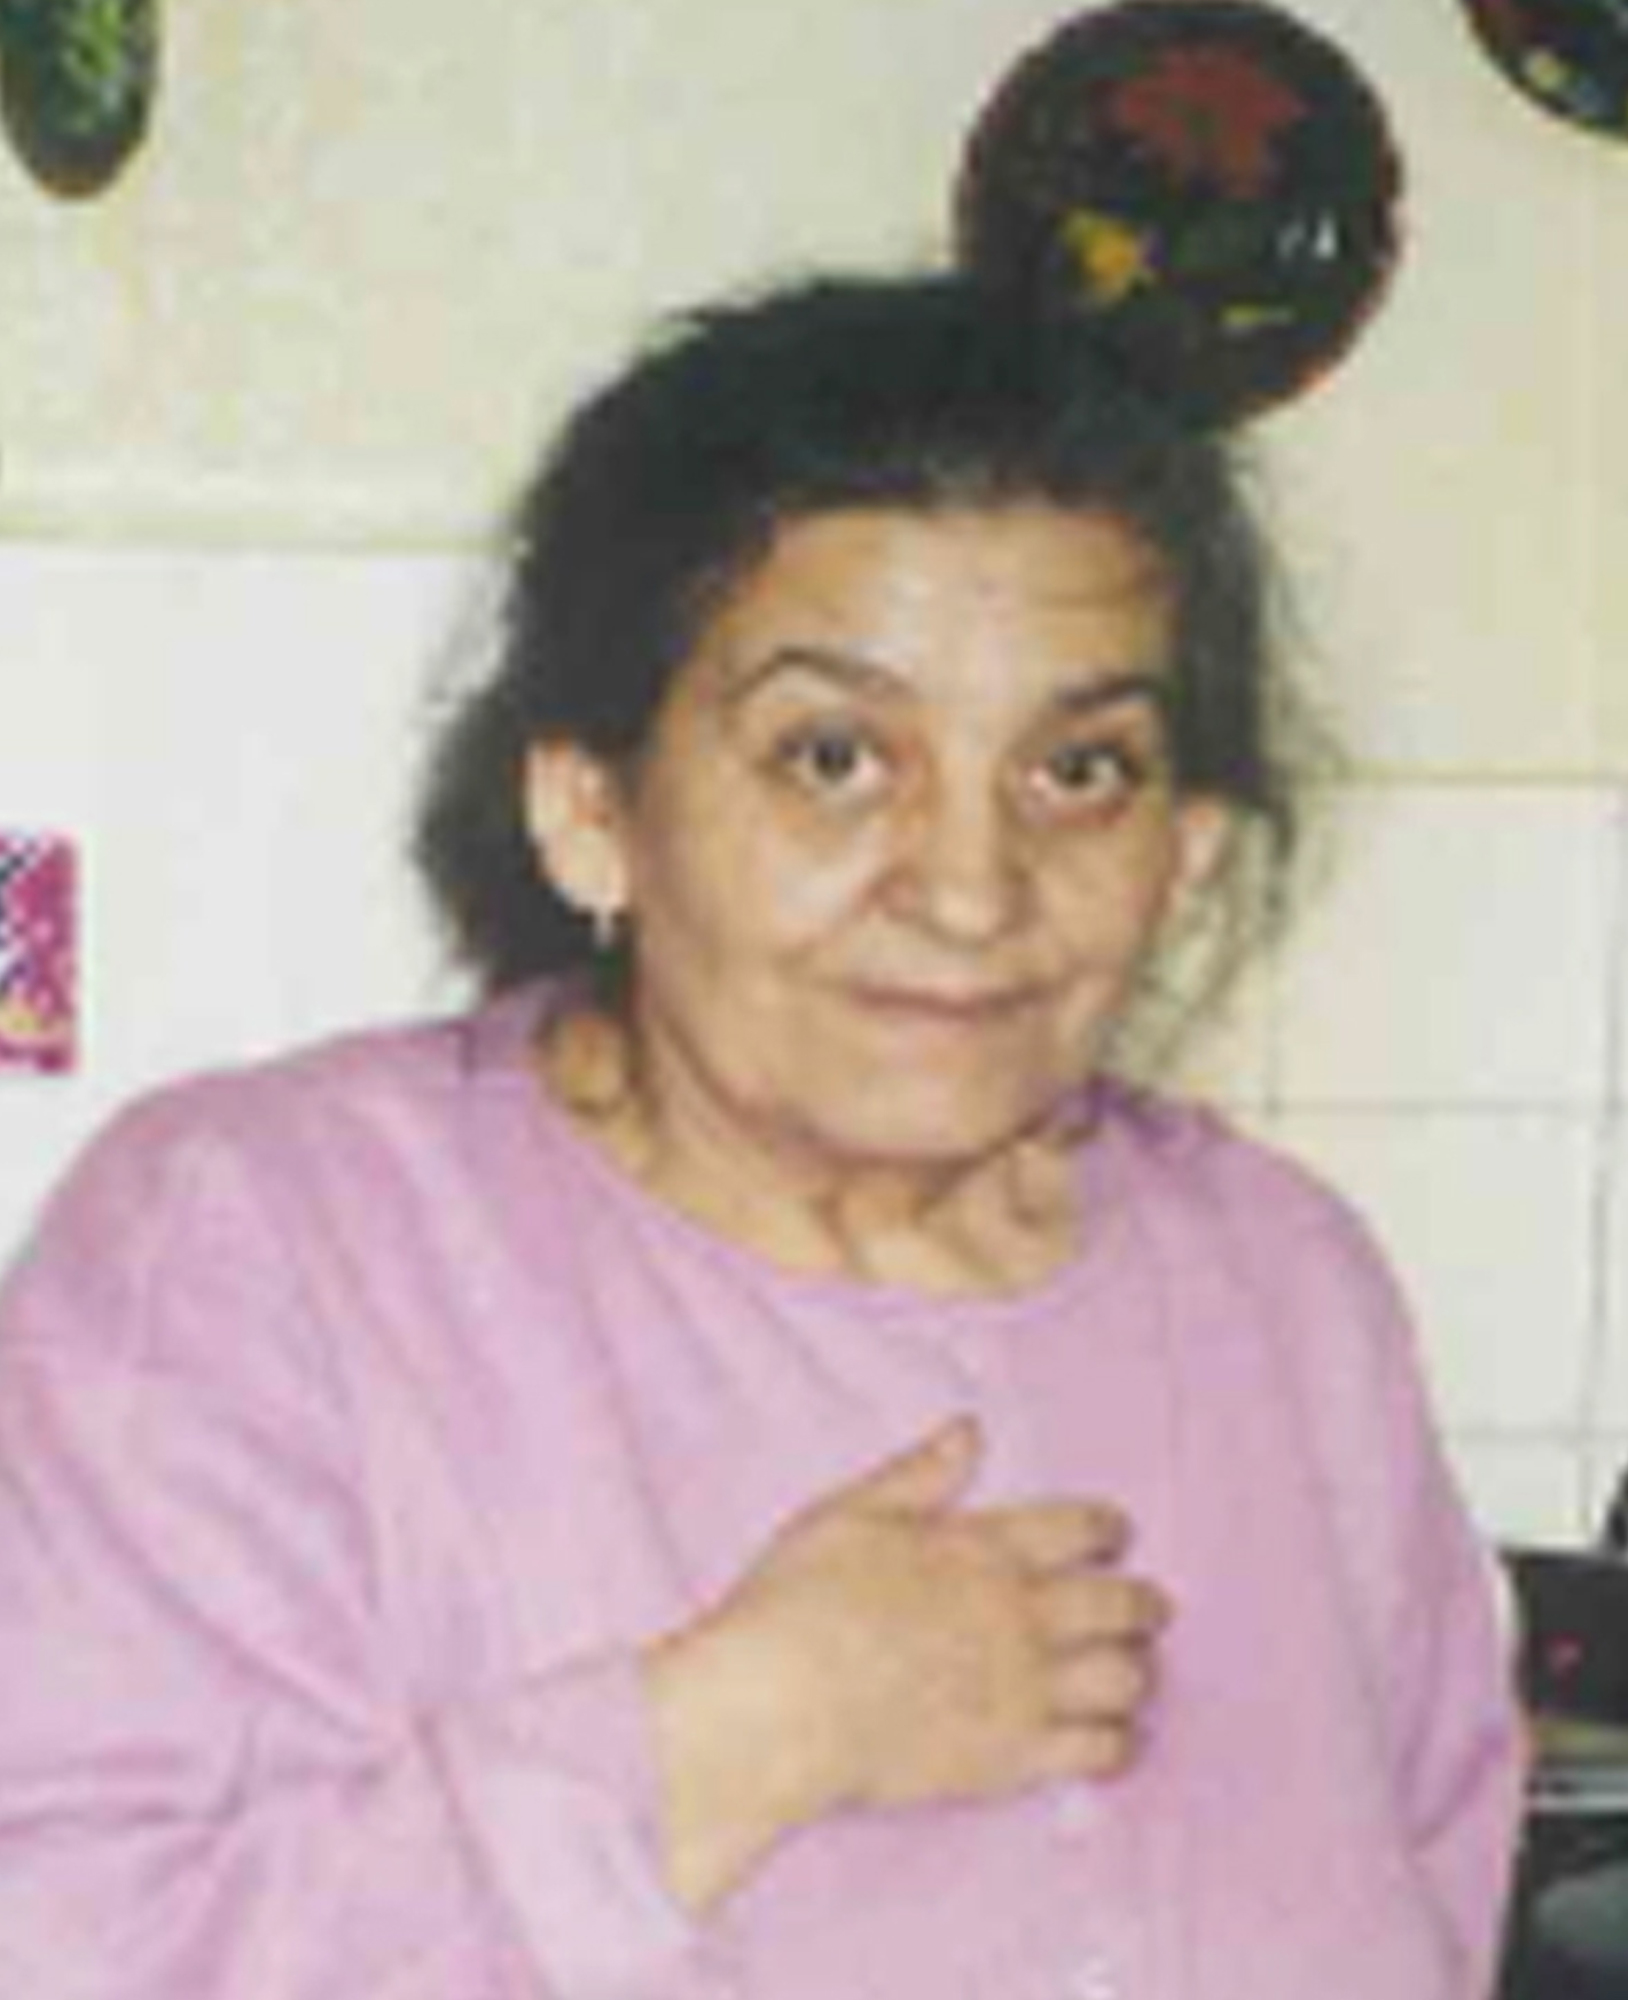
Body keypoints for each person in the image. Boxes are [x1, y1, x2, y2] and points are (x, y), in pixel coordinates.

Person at [0, 273, 1524, 1997]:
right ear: (592, 812)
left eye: (1080, 768)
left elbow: (1436, 1886)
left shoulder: (1282, 1284)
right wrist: (746, 1730)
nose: (971, 890)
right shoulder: (264, 1252)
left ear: (1184, 852)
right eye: (835, 757)